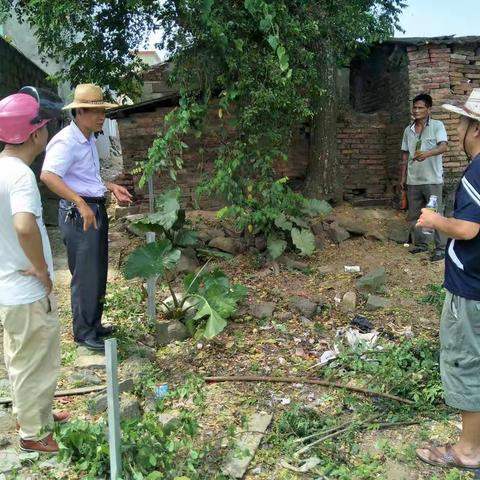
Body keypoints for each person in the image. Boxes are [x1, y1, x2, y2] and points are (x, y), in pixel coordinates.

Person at [0, 87, 68, 453]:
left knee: (22, 356)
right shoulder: (21, 176)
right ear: (35, 133)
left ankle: (35, 411)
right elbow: (25, 226)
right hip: (25, 290)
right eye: (46, 125)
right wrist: (41, 269)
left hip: (8, 287)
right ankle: (33, 433)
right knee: (35, 357)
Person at [415, 88, 480, 470]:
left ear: (475, 128)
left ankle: (470, 451)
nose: (458, 127)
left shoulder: (477, 170)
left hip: (470, 287)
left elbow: (469, 229)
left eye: (462, 121)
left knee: (467, 362)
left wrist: (435, 221)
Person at [41, 84, 132, 352]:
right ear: (79, 112)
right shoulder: (66, 141)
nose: (101, 115)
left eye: (102, 110)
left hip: (92, 209)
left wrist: (109, 186)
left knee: (97, 270)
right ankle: (83, 333)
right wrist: (80, 202)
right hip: (78, 213)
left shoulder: (88, 138)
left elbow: (85, 178)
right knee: (84, 273)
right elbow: (48, 175)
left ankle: (94, 324)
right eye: (94, 111)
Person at [400, 93, 448, 262]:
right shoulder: (408, 130)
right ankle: (421, 245)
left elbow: (443, 147)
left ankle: (441, 249)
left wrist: (427, 154)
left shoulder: (437, 126)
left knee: (435, 214)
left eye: (421, 107)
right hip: (413, 181)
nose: (417, 110)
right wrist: (403, 178)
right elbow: (405, 155)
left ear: (429, 109)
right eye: (415, 107)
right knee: (415, 216)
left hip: (432, 180)